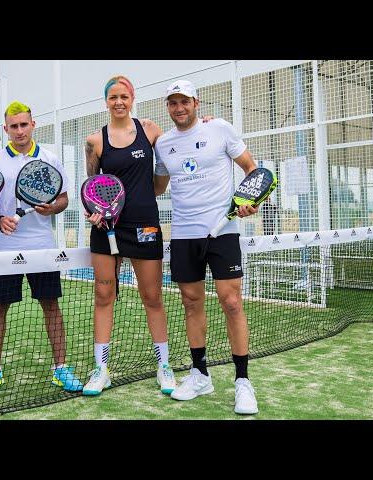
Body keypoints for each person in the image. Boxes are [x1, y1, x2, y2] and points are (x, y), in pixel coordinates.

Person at [154, 79, 259, 415]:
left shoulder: (221, 129)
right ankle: (200, 374)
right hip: (184, 235)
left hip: (223, 231)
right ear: (168, 107)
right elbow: (157, 187)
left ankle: (243, 381)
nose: (179, 108)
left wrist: (249, 201)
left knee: (231, 302)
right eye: (173, 103)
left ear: (196, 103)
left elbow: (251, 168)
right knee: (190, 302)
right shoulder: (164, 144)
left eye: (184, 101)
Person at [0, 101, 83, 395]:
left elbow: (63, 199)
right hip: (5, 247)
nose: (19, 131)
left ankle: (61, 368)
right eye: (14, 126)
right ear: (6, 129)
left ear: (33, 125)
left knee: (51, 306)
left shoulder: (50, 158)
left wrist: (51, 209)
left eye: (24, 124)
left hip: (42, 246)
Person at [82, 75, 176, 396]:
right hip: (106, 229)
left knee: (152, 297)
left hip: (145, 226)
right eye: (113, 98)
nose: (119, 102)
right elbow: (92, 187)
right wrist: (95, 211)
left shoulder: (151, 131)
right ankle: (101, 369)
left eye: (124, 96)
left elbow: (162, 178)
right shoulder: (95, 140)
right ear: (106, 102)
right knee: (104, 296)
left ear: (132, 98)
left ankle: (164, 366)